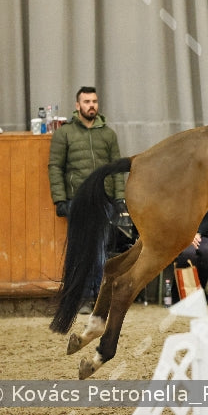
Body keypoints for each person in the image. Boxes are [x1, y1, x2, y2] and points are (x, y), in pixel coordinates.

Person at [48, 86, 126, 314]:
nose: (91, 105)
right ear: (77, 105)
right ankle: (81, 299)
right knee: (81, 251)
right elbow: (55, 167)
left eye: (94, 101)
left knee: (101, 250)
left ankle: (99, 299)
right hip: (77, 202)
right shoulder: (64, 134)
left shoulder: (108, 134)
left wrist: (120, 198)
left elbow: (117, 168)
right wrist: (60, 200)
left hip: (103, 201)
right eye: (86, 102)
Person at [171, 209, 208, 304]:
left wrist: (197, 233)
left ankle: (200, 291)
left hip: (199, 236)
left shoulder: (202, 197)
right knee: (188, 254)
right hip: (178, 237)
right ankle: (178, 294)